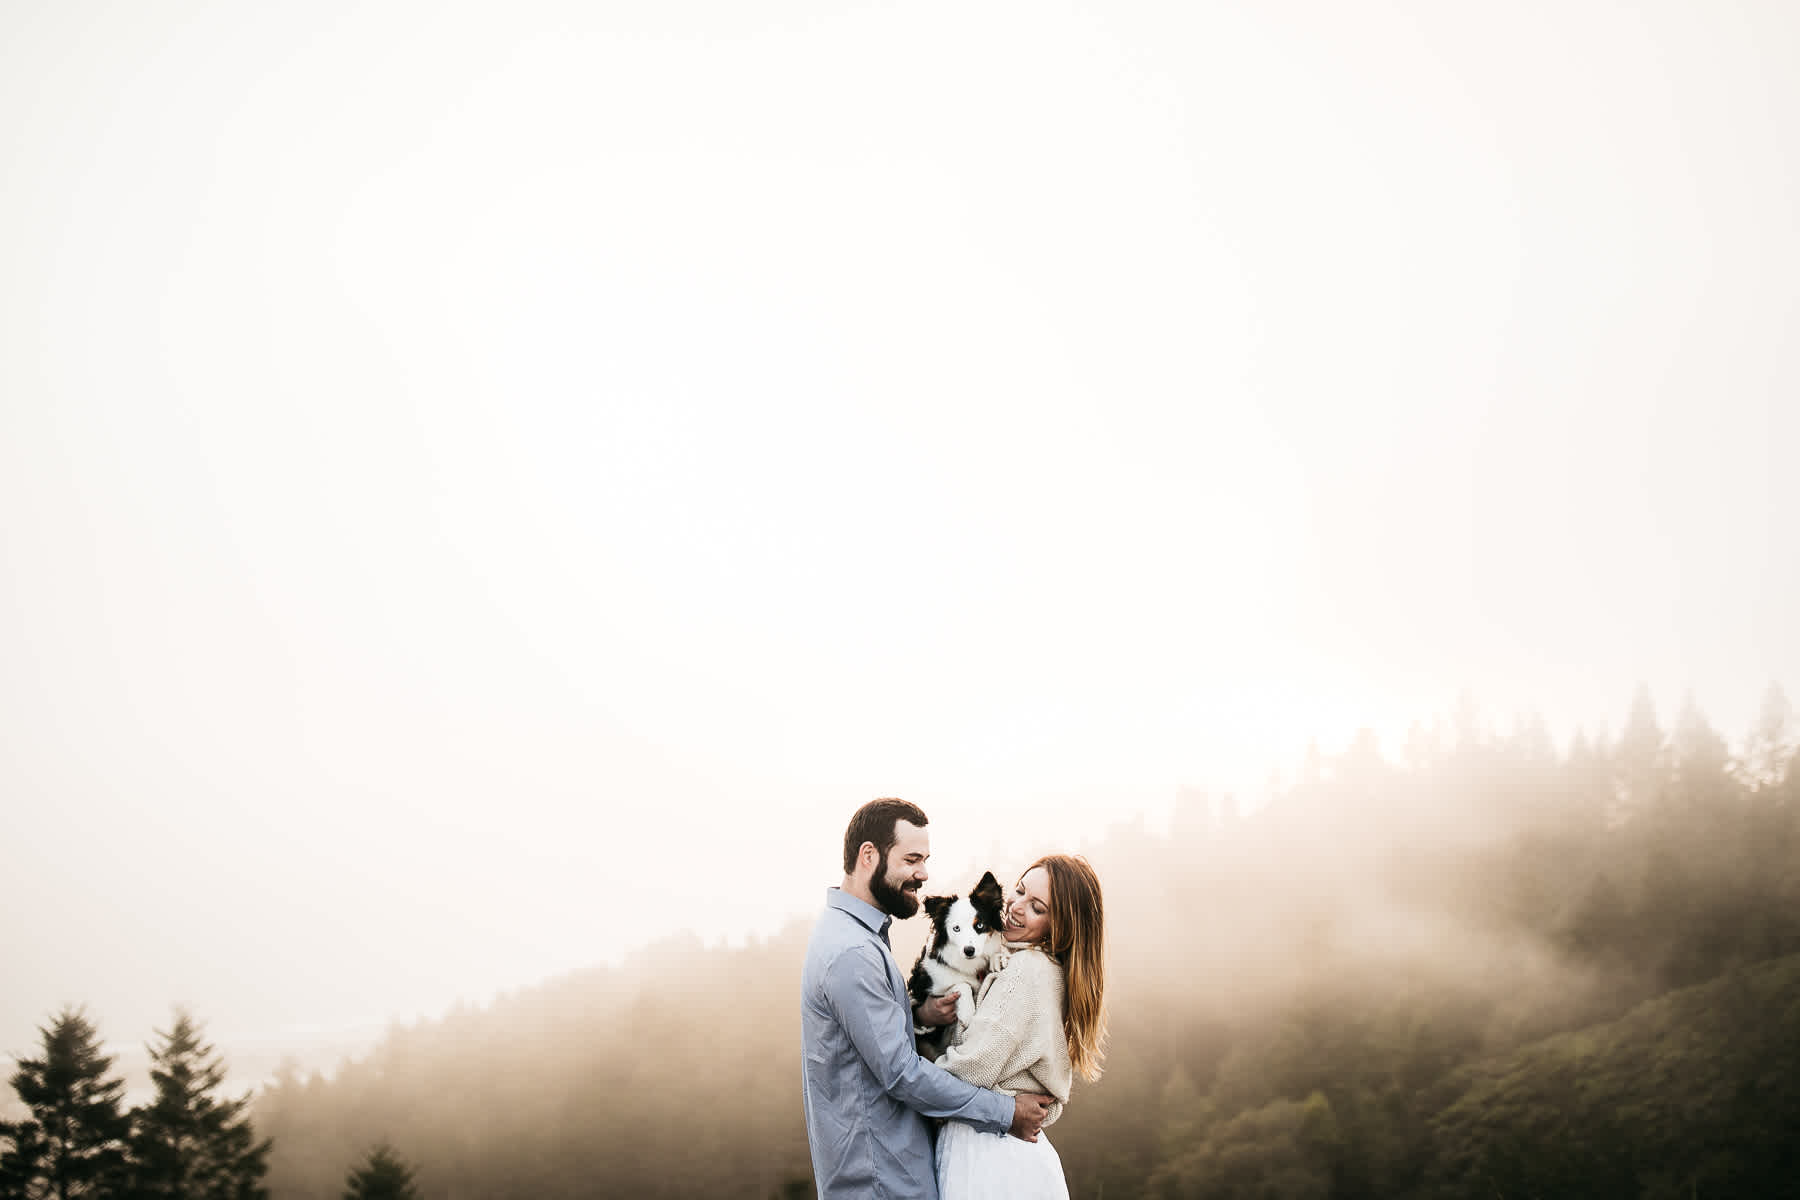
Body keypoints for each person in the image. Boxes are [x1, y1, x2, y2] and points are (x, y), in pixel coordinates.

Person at [801, 798, 1055, 1199]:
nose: (922, 873)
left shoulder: (856, 938)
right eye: (912, 859)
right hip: (881, 1182)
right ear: (869, 855)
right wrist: (1006, 1113)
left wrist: (921, 1015)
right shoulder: (853, 953)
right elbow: (901, 1073)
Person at [926, 854, 1108, 1200]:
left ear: (1062, 926)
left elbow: (967, 1071)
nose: (1016, 906)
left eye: (1037, 907)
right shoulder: (1037, 968)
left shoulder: (1026, 970)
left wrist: (902, 1073)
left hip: (991, 1159)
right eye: (1020, 890)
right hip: (1007, 1154)